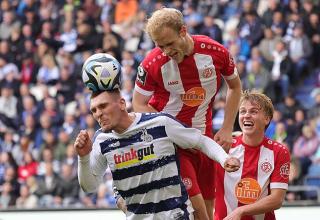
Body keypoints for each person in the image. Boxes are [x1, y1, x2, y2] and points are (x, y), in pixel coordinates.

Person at [132, 7, 242, 219]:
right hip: (173, 145)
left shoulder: (215, 52)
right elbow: (138, 103)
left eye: (169, 44)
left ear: (183, 31)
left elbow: (235, 87)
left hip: (204, 139)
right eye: (159, 45)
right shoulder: (151, 64)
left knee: (207, 211)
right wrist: (164, 130)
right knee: (197, 208)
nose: (165, 51)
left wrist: (228, 127)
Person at [74, 89, 240, 220]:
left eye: (103, 106)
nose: (98, 114)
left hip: (176, 215)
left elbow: (201, 141)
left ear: (122, 104)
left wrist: (224, 158)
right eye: (94, 110)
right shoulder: (102, 140)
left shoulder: (160, 123)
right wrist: (83, 157)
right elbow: (89, 186)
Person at [215, 90, 291, 220]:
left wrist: (241, 211)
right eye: (243, 111)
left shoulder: (279, 151)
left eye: (253, 111)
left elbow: (277, 199)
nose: (246, 115)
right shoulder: (223, 147)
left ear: (267, 119)